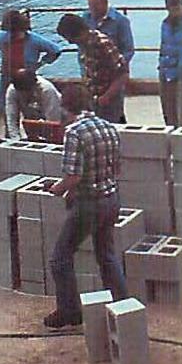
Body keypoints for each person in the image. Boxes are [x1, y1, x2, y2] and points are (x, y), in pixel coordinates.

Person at [43, 82, 130, 328]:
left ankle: (69, 311)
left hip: (88, 203)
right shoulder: (109, 127)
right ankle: (123, 305)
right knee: (106, 255)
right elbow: (117, 168)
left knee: (60, 257)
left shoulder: (74, 132)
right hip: (111, 199)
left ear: (65, 107)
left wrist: (55, 189)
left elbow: (73, 177)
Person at [56, 13, 129, 123]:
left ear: (80, 32)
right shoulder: (84, 46)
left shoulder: (103, 44)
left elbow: (123, 73)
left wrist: (107, 96)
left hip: (108, 98)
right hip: (93, 98)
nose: (71, 42)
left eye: (71, 39)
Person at [0, 9, 62, 114]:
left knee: (30, 109)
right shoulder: (1, 37)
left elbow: (55, 50)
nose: (13, 35)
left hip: (26, 80)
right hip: (6, 78)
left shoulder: (35, 40)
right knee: (6, 108)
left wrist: (42, 63)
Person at [157, 0, 182, 126]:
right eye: (172, 9)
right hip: (165, 71)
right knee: (168, 111)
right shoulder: (165, 24)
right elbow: (163, 45)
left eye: (178, 8)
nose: (175, 12)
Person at [81, 0, 135, 71]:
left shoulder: (121, 21)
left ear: (105, 3)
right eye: (90, 5)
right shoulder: (85, 18)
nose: (92, 9)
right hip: (91, 71)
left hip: (115, 71)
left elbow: (128, 50)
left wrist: (117, 66)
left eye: (95, 6)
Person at [4, 67, 63, 140]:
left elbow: (53, 120)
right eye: (22, 92)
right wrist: (16, 140)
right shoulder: (12, 90)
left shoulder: (47, 90)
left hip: (55, 118)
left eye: (27, 91)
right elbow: (11, 118)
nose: (25, 94)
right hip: (31, 123)